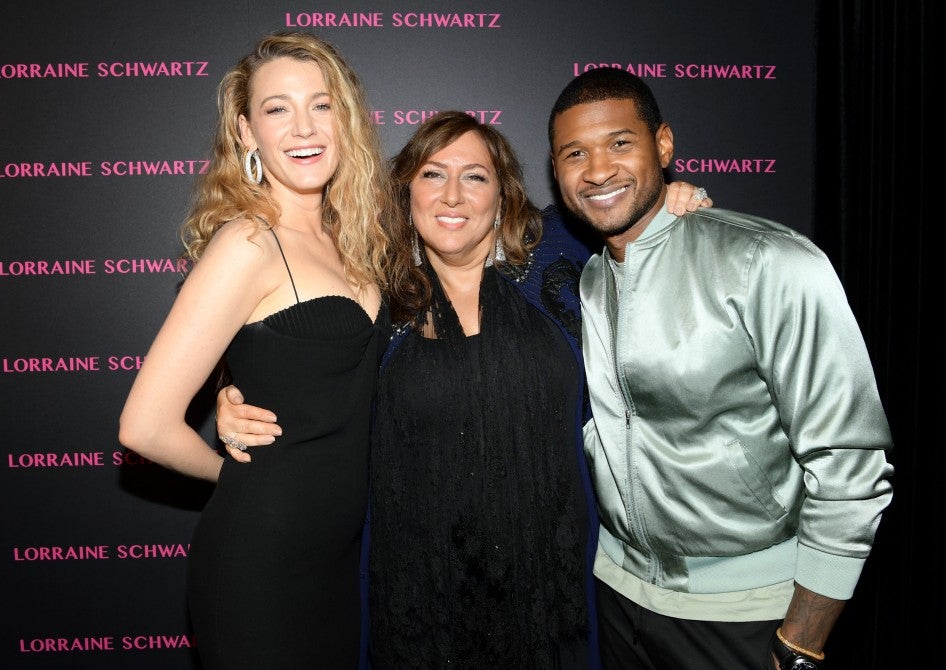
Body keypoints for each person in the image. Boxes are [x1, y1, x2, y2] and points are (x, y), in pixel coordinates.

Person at [216, 111, 711, 668]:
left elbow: (627, 211)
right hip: (420, 599)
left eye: (475, 176)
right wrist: (231, 397)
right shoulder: (372, 295)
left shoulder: (560, 256)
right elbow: (291, 355)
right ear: (406, 192)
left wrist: (672, 201)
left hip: (556, 591)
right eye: (432, 174)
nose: (452, 195)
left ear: (503, 196)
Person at [547, 67, 894, 670]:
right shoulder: (589, 277)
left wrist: (803, 639)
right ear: (556, 170)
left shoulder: (768, 261)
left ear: (663, 145)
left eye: (619, 143)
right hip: (616, 600)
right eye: (575, 153)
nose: (598, 170)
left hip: (746, 610)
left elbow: (850, 463)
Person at [118, 31, 392, 669]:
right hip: (260, 566)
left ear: (346, 120)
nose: (304, 127)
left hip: (340, 562)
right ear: (247, 132)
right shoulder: (247, 242)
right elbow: (144, 426)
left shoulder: (353, 238)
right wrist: (242, 476)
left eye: (321, 105)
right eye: (277, 109)